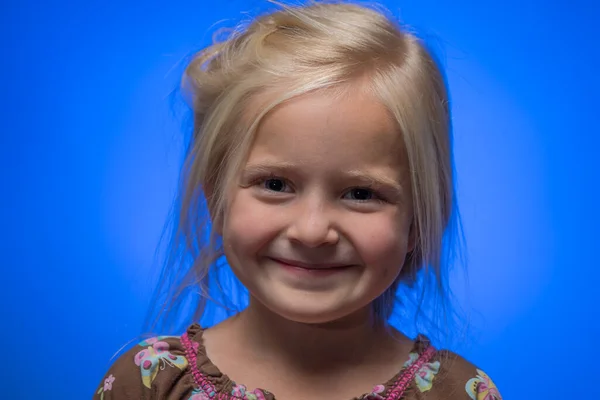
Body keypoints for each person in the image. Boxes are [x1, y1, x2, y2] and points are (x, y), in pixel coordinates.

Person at [93, 1, 503, 399]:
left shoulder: (459, 394)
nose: (311, 230)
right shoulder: (150, 385)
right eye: (275, 184)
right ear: (215, 196)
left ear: (418, 221)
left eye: (361, 194)